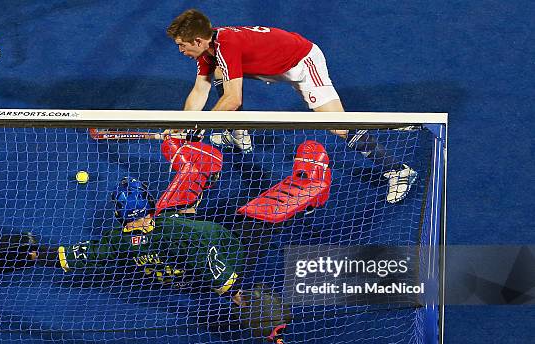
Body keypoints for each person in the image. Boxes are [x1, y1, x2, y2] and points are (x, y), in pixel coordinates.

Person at [0, 138, 332, 339]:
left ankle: (199, 167)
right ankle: (310, 181)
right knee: (259, 216)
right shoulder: (175, 228)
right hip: (225, 259)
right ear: (145, 206)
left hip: (177, 275)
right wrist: (237, 295)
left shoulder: (118, 239)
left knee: (176, 212)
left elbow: (74, 255)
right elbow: (213, 244)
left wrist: (33, 254)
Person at [165, 9, 418, 204]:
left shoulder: (226, 46)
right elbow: (200, 90)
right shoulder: (210, 49)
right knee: (220, 73)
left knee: (338, 127)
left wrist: (199, 127)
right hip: (271, 64)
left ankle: (398, 170)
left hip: (302, 64)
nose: (180, 50)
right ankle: (238, 132)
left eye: (182, 45)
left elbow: (233, 99)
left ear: (198, 40)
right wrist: (183, 126)